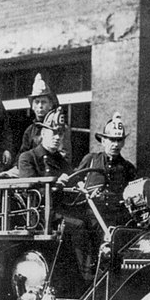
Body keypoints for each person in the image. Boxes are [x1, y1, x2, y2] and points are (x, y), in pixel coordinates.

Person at [17, 109, 92, 284]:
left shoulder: (61, 160)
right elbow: (29, 190)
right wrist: (55, 186)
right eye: (53, 133)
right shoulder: (28, 158)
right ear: (43, 134)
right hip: (39, 214)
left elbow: (72, 180)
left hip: (62, 210)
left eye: (60, 134)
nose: (57, 138)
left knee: (92, 220)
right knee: (79, 225)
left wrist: (81, 187)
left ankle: (97, 269)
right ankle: (86, 277)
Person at [76, 112, 137, 226]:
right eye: (112, 140)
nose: (115, 144)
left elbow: (135, 196)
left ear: (123, 142)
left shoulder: (128, 167)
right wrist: (83, 189)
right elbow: (75, 181)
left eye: (119, 140)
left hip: (118, 221)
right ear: (103, 141)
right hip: (91, 219)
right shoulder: (91, 160)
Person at [18, 73, 71, 160]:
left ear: (50, 105)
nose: (40, 106)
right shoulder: (30, 130)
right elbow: (22, 155)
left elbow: (64, 157)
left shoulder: (59, 128)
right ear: (32, 106)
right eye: (37, 102)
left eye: (43, 102)